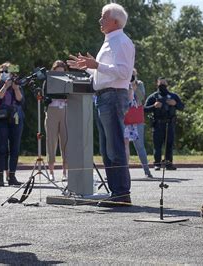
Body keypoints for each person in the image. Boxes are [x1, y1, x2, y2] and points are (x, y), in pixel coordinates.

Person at [67, 3, 134, 206]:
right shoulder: (110, 41)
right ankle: (116, 193)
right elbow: (104, 74)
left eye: (103, 17)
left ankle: (122, 194)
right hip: (104, 96)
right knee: (107, 149)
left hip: (113, 97)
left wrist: (96, 65)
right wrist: (87, 68)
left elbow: (123, 73)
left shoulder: (121, 41)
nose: (100, 20)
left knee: (114, 147)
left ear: (115, 21)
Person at [0, 62, 24, 186]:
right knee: (1, 148)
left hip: (15, 118)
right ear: (0, 73)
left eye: (7, 71)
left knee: (14, 148)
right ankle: (0, 178)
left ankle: (12, 177)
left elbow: (21, 101)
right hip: (1, 119)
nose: (5, 74)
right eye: (3, 71)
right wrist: (5, 87)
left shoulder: (17, 84)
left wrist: (15, 88)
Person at [144, 77, 184, 171]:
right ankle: (157, 164)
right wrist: (154, 106)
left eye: (164, 84)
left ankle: (168, 163)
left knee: (169, 144)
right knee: (157, 145)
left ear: (167, 85)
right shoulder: (153, 97)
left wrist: (175, 104)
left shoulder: (173, 96)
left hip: (170, 123)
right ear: (157, 85)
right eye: (160, 84)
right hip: (158, 124)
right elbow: (144, 109)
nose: (162, 85)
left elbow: (182, 107)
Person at [124, 68, 153, 178]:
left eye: (133, 74)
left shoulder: (139, 84)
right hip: (125, 118)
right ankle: (124, 172)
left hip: (137, 119)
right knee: (123, 146)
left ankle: (147, 171)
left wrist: (134, 86)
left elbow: (141, 98)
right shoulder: (122, 84)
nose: (131, 76)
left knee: (139, 146)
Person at [44, 60, 69, 182]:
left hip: (65, 111)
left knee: (66, 142)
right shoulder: (48, 81)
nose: (59, 74)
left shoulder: (68, 80)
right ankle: (51, 171)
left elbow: (72, 96)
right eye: (57, 72)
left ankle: (65, 172)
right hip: (52, 111)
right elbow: (44, 98)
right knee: (51, 141)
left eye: (62, 72)